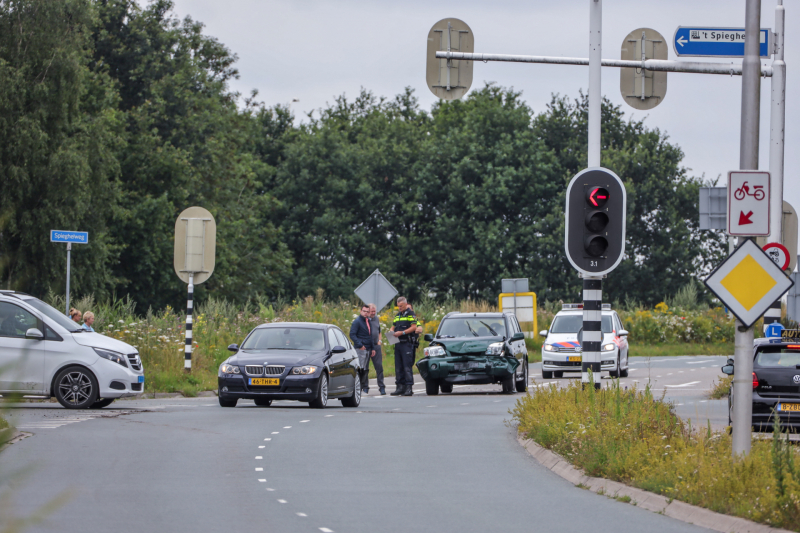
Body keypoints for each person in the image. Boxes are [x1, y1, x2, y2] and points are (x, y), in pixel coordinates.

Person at [390, 296, 418, 396]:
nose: (400, 308)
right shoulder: (398, 315)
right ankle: (400, 386)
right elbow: (393, 326)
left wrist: (402, 332)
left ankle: (408, 387)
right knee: (398, 366)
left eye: (401, 306)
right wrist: (391, 332)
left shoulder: (411, 314)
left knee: (407, 366)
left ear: (406, 304)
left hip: (406, 343)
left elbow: (414, 327)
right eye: (398, 306)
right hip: (398, 343)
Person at [348, 304, 374, 393]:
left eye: (367, 311)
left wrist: (373, 348)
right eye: (364, 311)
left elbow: (370, 336)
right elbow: (352, 334)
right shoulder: (357, 321)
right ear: (360, 311)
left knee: (365, 368)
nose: (365, 313)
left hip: (368, 348)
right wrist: (360, 345)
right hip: (361, 349)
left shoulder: (368, 321)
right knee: (360, 368)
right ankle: (358, 387)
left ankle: (364, 387)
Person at [367, 303, 385, 395]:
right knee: (365, 368)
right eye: (371, 311)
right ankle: (364, 387)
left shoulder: (376, 319)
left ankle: (381, 387)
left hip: (376, 345)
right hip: (366, 347)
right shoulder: (364, 320)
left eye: (374, 311)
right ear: (368, 311)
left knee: (379, 367)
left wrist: (379, 341)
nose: (373, 313)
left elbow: (379, 331)